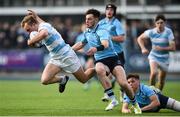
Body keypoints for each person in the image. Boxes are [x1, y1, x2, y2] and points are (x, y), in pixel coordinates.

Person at [72, 8, 141, 114]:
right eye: (86, 19)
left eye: (89, 19)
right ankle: (113, 99)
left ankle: (135, 104)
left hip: (113, 59)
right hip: (100, 60)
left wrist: (95, 49)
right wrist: (69, 50)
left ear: (96, 19)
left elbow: (105, 44)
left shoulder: (102, 30)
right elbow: (81, 43)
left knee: (123, 83)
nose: (87, 21)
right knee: (99, 69)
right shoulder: (87, 32)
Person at [21, 10, 95, 93]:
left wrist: (30, 42)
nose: (29, 32)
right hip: (56, 58)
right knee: (44, 80)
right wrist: (36, 17)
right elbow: (42, 29)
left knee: (84, 79)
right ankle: (62, 79)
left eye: (28, 29)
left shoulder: (43, 27)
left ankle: (99, 70)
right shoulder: (42, 26)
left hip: (67, 56)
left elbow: (44, 33)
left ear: (34, 24)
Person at [137, 14, 176, 91]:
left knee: (161, 80)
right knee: (154, 73)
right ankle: (151, 92)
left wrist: (161, 48)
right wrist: (143, 48)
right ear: (155, 23)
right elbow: (139, 38)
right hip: (154, 56)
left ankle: (159, 93)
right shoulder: (151, 32)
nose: (159, 25)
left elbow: (173, 48)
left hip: (165, 58)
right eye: (158, 23)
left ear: (164, 23)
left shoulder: (168, 32)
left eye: (161, 23)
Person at [98, 3, 126, 102]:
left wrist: (110, 38)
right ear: (105, 11)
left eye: (111, 10)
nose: (109, 11)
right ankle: (107, 93)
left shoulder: (116, 23)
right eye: (108, 9)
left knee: (120, 78)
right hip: (106, 53)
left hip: (117, 53)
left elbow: (122, 38)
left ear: (114, 12)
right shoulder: (101, 23)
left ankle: (122, 94)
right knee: (106, 73)